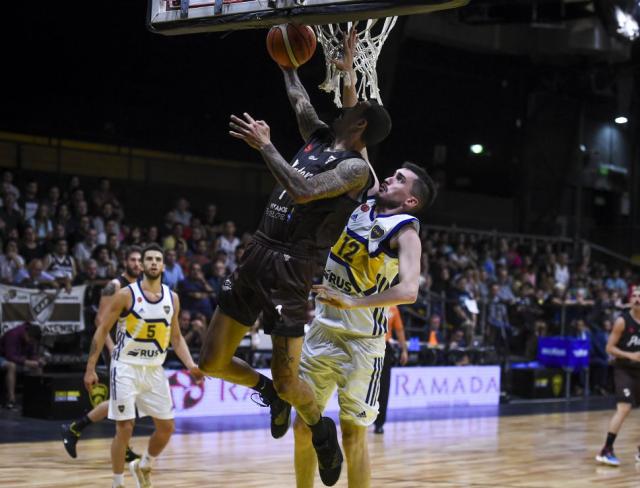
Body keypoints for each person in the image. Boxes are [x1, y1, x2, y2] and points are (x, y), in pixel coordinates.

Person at [198, 47, 392, 486]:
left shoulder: (356, 170)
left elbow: (303, 189)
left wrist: (265, 145)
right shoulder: (322, 136)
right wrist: (287, 63)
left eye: (352, 108)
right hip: (259, 250)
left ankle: (321, 431)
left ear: (359, 123)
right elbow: (300, 101)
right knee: (211, 362)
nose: (344, 105)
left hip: (294, 267)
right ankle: (267, 392)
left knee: (292, 382)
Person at [294, 159, 433, 487]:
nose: (388, 177)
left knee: (353, 437)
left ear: (410, 200)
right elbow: (361, 141)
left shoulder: (406, 231)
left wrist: (354, 301)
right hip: (322, 330)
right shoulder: (367, 200)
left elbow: (410, 290)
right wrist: (355, 105)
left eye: (399, 179)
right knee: (302, 427)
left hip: (362, 344)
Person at [83, 243, 203, 488]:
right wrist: (90, 368)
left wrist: (191, 365)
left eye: (158, 259)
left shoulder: (173, 298)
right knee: (125, 427)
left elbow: (177, 338)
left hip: (154, 369)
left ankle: (144, 464)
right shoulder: (126, 294)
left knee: (167, 428)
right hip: (125, 366)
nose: (153, 263)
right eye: (149, 259)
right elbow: (102, 329)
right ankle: (117, 482)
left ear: (163, 265)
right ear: (143, 264)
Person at [61, 246, 142, 462]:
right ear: (125, 261)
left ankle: (75, 428)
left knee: (123, 401)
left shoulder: (140, 287)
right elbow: (100, 321)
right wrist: (110, 347)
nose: (136, 264)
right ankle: (77, 429)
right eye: (132, 259)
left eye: (139, 260)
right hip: (115, 349)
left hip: (133, 351)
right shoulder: (114, 285)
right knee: (124, 401)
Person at [596, 287, 640, 467]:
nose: (636, 298)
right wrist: (630, 355)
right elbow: (609, 348)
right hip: (624, 369)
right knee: (624, 408)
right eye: (634, 295)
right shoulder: (623, 321)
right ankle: (606, 450)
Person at [373, 304, 409, 435]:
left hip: (384, 347)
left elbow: (399, 330)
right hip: (367, 346)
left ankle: (379, 424)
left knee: (383, 388)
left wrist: (404, 350)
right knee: (364, 386)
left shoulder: (393, 308)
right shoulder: (369, 301)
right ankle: (361, 419)